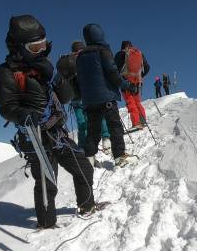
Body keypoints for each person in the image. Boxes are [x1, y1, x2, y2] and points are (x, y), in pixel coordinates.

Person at [0, 15, 96, 227]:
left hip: (56, 131)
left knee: (83, 167)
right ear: (19, 47)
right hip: (34, 136)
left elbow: (66, 97)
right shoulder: (5, 73)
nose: (41, 51)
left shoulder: (44, 68)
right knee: (47, 182)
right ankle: (47, 224)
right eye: (34, 47)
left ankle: (87, 206)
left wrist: (58, 78)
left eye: (42, 45)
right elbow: (6, 107)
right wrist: (21, 114)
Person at [75, 24, 137, 167]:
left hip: (89, 100)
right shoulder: (103, 51)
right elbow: (113, 74)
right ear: (100, 35)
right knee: (114, 126)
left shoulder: (80, 57)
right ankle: (120, 156)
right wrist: (128, 86)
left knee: (93, 131)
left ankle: (89, 159)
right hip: (106, 97)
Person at [57, 41, 112, 154]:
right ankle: (102, 139)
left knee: (84, 122)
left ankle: (86, 145)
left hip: (77, 98)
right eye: (76, 52)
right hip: (86, 97)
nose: (78, 54)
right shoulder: (85, 60)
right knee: (93, 119)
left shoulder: (67, 62)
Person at [115, 40, 150, 129]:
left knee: (130, 102)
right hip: (138, 82)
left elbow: (115, 70)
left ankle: (136, 123)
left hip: (126, 82)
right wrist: (140, 76)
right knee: (137, 102)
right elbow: (147, 67)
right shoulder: (139, 53)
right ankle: (143, 121)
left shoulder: (120, 54)